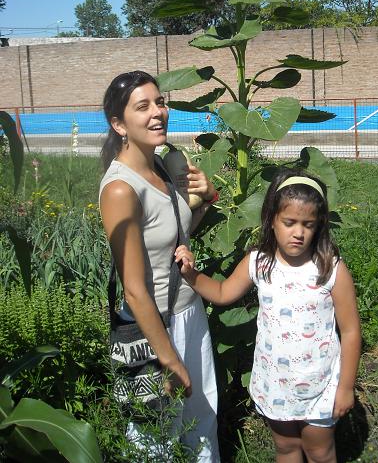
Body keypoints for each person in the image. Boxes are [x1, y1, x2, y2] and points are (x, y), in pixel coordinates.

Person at [176, 168, 361, 463]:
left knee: (320, 451)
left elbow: (350, 330)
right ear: (272, 219)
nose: (298, 233)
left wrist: (346, 387)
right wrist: (191, 275)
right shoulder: (258, 262)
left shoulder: (330, 268)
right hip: (276, 382)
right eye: (289, 222)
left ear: (320, 225)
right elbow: (223, 293)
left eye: (308, 224)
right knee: (286, 448)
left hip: (321, 385)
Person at [99, 70, 220, 462]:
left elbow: (177, 232)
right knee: (154, 439)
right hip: (154, 328)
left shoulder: (163, 167)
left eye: (160, 102)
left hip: (188, 313)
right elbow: (134, 289)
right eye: (143, 106)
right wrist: (167, 357)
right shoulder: (121, 189)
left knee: (201, 423)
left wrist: (209, 198)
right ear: (119, 124)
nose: (158, 113)